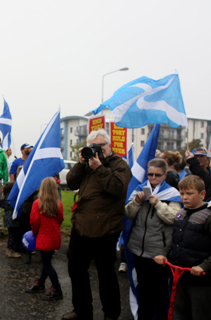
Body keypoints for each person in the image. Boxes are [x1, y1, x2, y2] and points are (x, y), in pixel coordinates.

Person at [62, 129, 132, 320]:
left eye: (102, 145)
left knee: (106, 275)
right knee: (76, 270)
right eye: (94, 146)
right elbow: (70, 182)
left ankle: (111, 314)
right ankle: (81, 310)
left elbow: (117, 188)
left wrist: (99, 167)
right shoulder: (86, 164)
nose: (98, 149)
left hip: (106, 229)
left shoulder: (120, 165)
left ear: (109, 146)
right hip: (81, 226)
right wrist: (81, 162)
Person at [125, 158, 182, 320]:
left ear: (165, 175)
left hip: (159, 253)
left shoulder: (172, 194)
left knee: (160, 294)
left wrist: (157, 203)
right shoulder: (140, 190)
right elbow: (128, 214)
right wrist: (136, 202)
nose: (153, 178)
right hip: (138, 250)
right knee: (143, 291)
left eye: (157, 175)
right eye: (150, 174)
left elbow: (174, 218)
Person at [154, 175, 211, 320]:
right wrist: (164, 254)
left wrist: (204, 266)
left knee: (200, 314)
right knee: (179, 313)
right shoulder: (181, 214)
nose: (184, 197)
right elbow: (174, 240)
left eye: (189, 193)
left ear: (202, 194)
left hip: (201, 280)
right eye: (182, 193)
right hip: (180, 275)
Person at [25, 177, 64, 301]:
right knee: (46, 261)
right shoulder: (59, 204)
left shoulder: (37, 203)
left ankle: (57, 289)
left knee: (47, 264)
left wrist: (35, 233)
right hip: (55, 236)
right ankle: (41, 283)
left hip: (43, 236)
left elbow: (34, 221)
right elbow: (60, 219)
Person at [0, 181, 22, 258]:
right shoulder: (12, 199)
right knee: (12, 236)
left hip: (7, 219)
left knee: (11, 235)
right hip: (12, 220)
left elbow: (1, 204)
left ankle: (10, 250)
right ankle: (10, 251)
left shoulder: (6, 198)